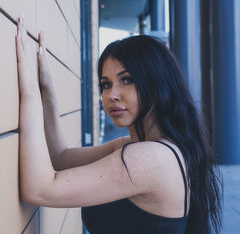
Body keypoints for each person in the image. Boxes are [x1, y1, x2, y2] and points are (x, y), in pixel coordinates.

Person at [15, 16, 223, 234]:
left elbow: (39, 189)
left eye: (126, 80)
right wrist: (46, 90)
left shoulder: (147, 158)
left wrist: (29, 93)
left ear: (157, 82)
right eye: (106, 84)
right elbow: (61, 157)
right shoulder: (152, 149)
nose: (111, 95)